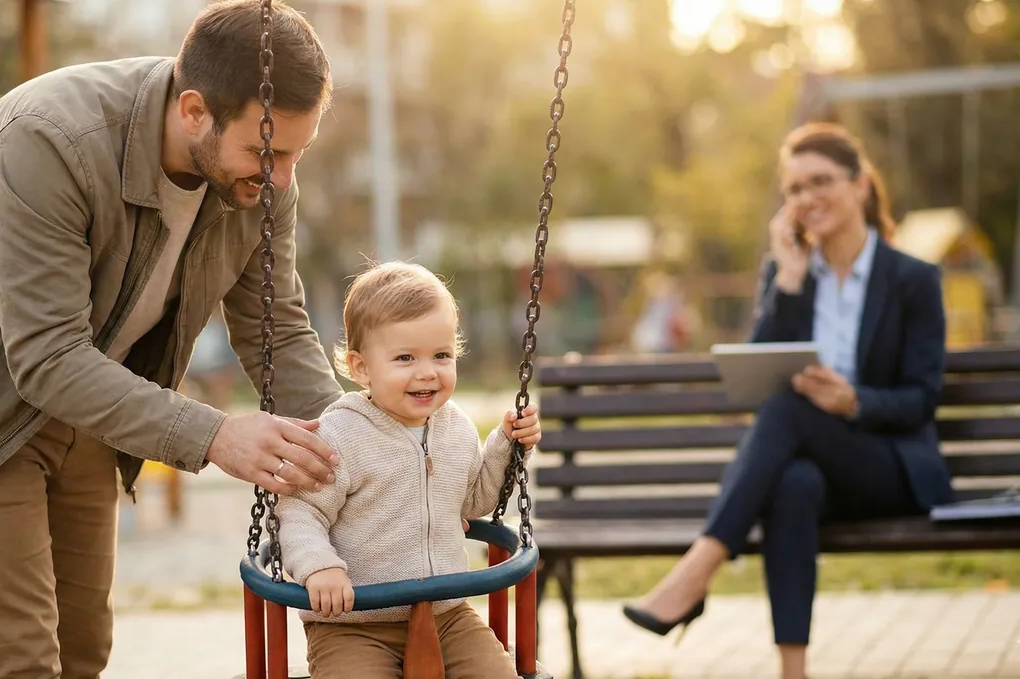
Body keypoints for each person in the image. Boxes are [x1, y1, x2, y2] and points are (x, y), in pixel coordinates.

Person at [0, 2, 347, 677]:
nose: (283, 177)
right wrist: (217, 435)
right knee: (21, 661)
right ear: (194, 111)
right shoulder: (51, 136)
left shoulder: (260, 180)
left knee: (82, 652)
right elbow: (46, 356)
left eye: (297, 153)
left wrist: (358, 446)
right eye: (268, 152)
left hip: (84, 384)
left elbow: (276, 329)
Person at [621, 123, 951, 679]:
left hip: (890, 468)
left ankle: (699, 567)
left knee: (788, 409)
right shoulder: (787, 271)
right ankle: (792, 672)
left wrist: (854, 402)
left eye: (820, 181)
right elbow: (758, 374)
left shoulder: (912, 279)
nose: (806, 198)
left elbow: (922, 399)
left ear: (861, 185)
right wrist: (793, 279)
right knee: (793, 480)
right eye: (794, 188)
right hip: (815, 468)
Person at [276, 261, 543, 679]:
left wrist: (508, 444)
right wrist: (319, 566)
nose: (427, 372)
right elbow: (299, 512)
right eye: (404, 358)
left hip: (448, 615)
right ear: (361, 367)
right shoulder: (339, 436)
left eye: (441, 355)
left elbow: (475, 500)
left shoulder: (455, 428)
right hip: (355, 624)